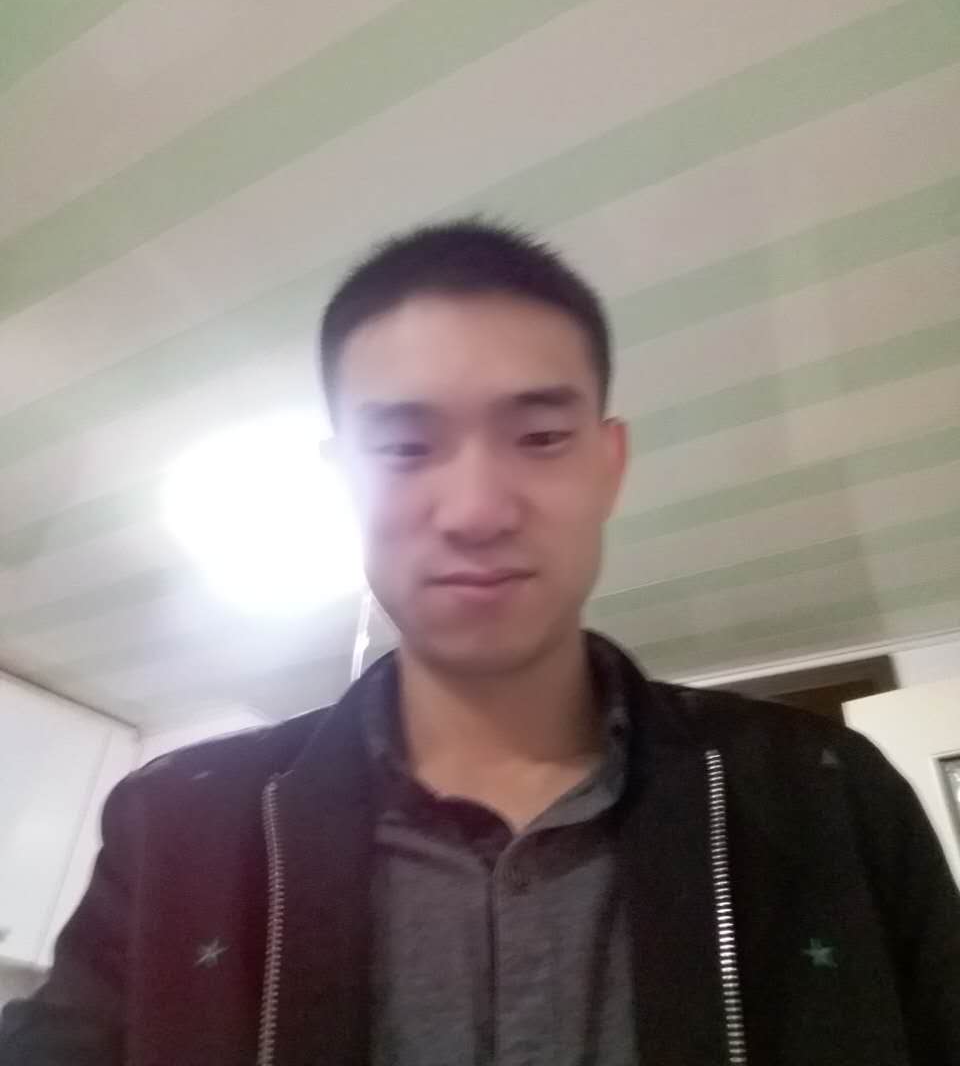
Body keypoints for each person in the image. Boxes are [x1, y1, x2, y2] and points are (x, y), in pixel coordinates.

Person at [2, 220, 958, 1066]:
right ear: (343, 483)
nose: (474, 510)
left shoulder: (831, 794)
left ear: (608, 465)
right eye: (405, 448)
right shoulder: (174, 824)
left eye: (539, 437)